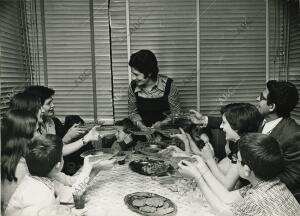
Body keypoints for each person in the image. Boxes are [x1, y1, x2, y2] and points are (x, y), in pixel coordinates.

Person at [178, 133, 300, 216]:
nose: (235, 162)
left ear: (247, 170)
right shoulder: (268, 182)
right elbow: (227, 197)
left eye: (237, 159)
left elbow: (222, 212)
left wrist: (198, 177)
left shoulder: (257, 199)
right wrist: (202, 168)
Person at [5, 134, 106, 216]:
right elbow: (70, 197)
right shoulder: (42, 197)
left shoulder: (38, 178)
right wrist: (86, 170)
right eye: (62, 156)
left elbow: (66, 197)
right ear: (58, 165)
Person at [174, 103, 262, 190]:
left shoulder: (243, 148)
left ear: (237, 126)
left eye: (224, 122)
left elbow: (227, 185)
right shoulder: (239, 143)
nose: (221, 126)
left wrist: (210, 159)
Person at [190, 80, 300, 145]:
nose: (257, 98)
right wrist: (202, 119)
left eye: (262, 97)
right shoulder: (258, 116)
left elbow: (293, 177)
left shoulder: (292, 135)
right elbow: (234, 120)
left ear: (271, 106)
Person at [24, 85, 101, 156]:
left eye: (52, 102)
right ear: (37, 105)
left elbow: (56, 150)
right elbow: (52, 153)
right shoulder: (28, 127)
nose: (53, 105)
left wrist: (83, 137)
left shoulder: (51, 122)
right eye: (49, 103)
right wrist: (68, 136)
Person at [128, 49, 181, 129]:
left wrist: (162, 123)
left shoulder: (169, 85)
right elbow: (133, 113)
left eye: (136, 74)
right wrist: (141, 125)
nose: (133, 78)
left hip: (166, 135)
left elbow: (176, 113)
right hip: (143, 134)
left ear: (149, 73)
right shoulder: (133, 86)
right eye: (133, 74)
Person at [1, 110, 39, 212]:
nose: (39, 135)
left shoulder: (14, 160)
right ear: (23, 137)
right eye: (35, 131)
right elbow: (10, 208)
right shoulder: (18, 168)